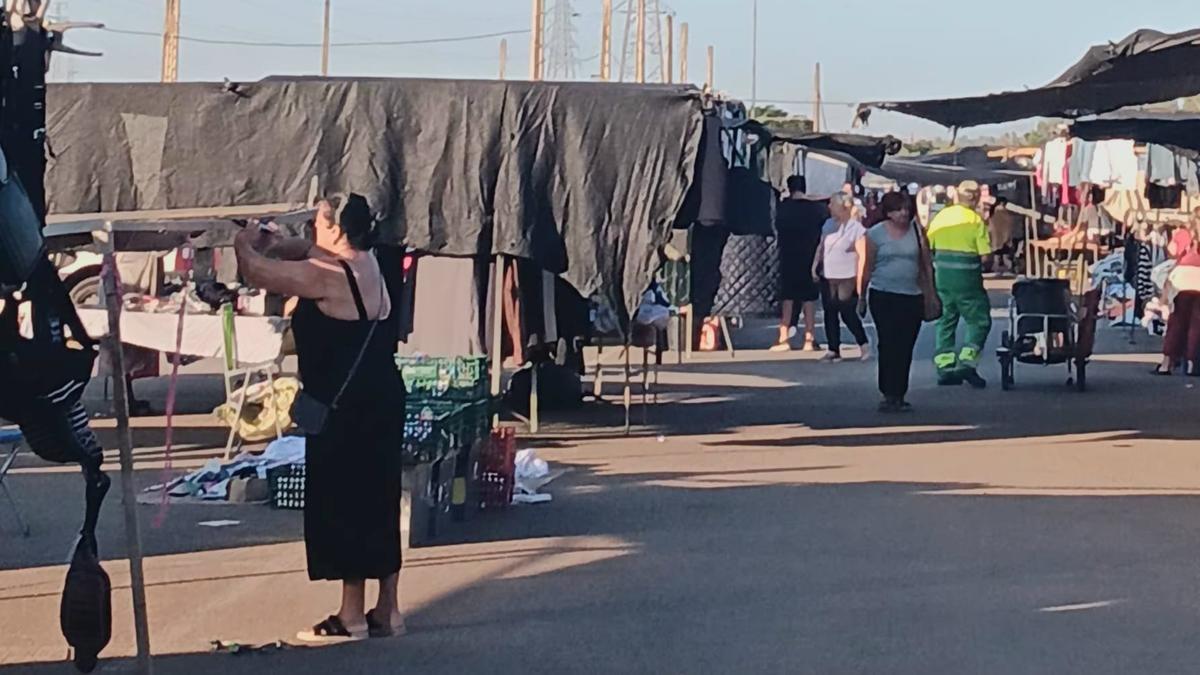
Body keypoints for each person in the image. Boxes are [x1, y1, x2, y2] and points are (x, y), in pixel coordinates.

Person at [234, 194, 407, 643]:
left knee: (346, 501)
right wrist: (278, 241)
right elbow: (306, 251)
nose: (312, 231)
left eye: (317, 224)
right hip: (382, 397)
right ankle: (387, 610)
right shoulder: (371, 262)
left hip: (344, 408)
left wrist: (244, 245)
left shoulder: (326, 276)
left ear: (334, 230)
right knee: (380, 499)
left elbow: (258, 274)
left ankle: (350, 617)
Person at [859, 192, 932, 412]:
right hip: (883, 295)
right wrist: (861, 296)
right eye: (898, 209)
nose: (904, 213)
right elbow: (867, 266)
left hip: (912, 296)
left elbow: (926, 263)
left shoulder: (917, 231)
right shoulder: (875, 234)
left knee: (905, 345)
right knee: (888, 343)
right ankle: (887, 391)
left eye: (906, 208)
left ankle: (899, 392)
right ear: (888, 212)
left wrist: (931, 292)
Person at [926, 180, 992, 388]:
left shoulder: (942, 217)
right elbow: (985, 257)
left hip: (942, 277)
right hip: (967, 279)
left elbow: (929, 246)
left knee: (945, 320)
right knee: (979, 320)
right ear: (976, 199)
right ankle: (967, 362)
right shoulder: (975, 221)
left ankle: (945, 368)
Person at [771, 176, 828, 351]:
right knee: (809, 298)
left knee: (787, 297)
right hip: (809, 256)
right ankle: (809, 338)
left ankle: (783, 338)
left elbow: (777, 227)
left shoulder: (783, 208)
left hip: (788, 256)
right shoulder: (816, 209)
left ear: (789, 187)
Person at [812, 193, 871, 362]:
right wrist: (815, 265)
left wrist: (861, 283)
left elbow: (863, 256)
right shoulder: (828, 225)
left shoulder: (856, 229)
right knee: (829, 311)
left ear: (843, 207)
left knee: (847, 311)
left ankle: (863, 343)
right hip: (828, 274)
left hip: (847, 275)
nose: (829, 207)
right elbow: (821, 245)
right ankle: (833, 348)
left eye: (832, 204)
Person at [1156, 214, 1200, 375]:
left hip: (1182, 279)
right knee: (1197, 324)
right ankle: (1192, 363)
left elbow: (1172, 251)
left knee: (1177, 322)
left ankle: (1167, 364)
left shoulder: (1184, 233)